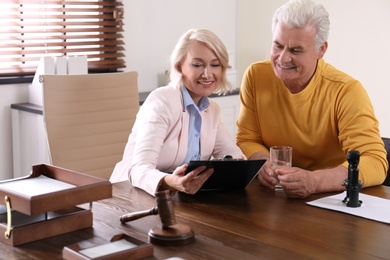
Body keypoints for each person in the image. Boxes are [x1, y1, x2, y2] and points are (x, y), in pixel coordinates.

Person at [236, 0, 388, 199]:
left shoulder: (347, 91)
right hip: (276, 197)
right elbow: (247, 139)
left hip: (330, 199)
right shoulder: (255, 75)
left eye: (295, 50)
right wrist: (264, 163)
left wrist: (315, 181)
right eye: (278, 45)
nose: (282, 59)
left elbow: (375, 162)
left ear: (321, 50)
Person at [110, 29, 245, 196]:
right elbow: (138, 169)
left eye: (215, 65)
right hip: (130, 195)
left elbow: (232, 154)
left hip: (175, 199)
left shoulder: (211, 109)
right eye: (197, 65)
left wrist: (237, 164)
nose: (207, 74)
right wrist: (170, 182)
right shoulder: (162, 101)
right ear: (179, 66)